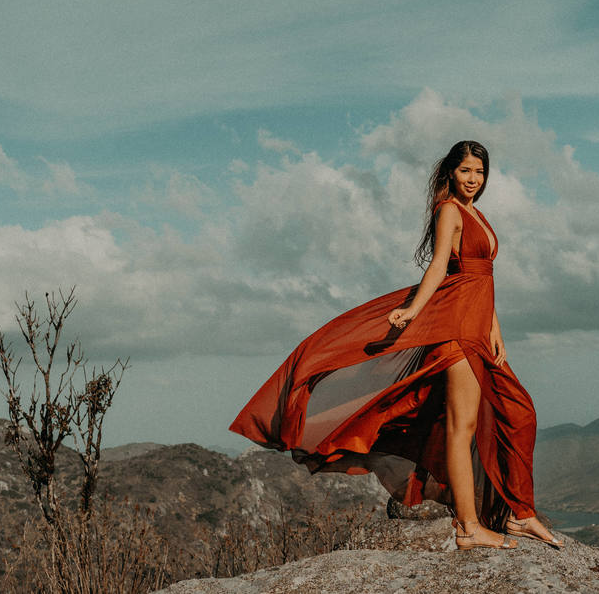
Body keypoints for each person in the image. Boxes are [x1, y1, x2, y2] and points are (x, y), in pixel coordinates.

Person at [230, 140, 561, 550]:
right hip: (455, 332)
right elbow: (440, 267)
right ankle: (469, 527)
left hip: (477, 328)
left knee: (518, 412)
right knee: (462, 428)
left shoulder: (477, 213)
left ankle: (521, 514)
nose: (473, 179)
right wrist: (413, 310)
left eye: (479, 172)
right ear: (450, 174)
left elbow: (479, 278)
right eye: (465, 171)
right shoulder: (449, 211)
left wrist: (495, 326)